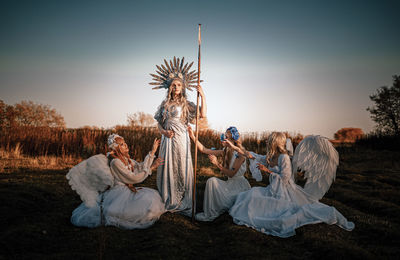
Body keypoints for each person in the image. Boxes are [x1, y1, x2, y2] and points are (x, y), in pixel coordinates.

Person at [227, 132, 355, 238]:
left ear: (275, 142)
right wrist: (235, 146)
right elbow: (251, 155)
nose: (266, 141)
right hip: (273, 188)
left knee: (260, 200)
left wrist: (267, 171)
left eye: (269, 140)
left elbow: (285, 178)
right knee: (250, 195)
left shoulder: (284, 158)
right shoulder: (271, 156)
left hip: (284, 192)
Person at [68, 134, 165, 229]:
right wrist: (151, 167)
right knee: (144, 208)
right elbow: (133, 178)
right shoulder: (115, 162)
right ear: (116, 148)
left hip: (127, 189)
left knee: (153, 198)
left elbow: (139, 167)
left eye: (124, 143)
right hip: (119, 192)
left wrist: (152, 152)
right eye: (122, 144)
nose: (126, 145)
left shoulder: (126, 159)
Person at [151, 57, 207, 215]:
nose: (176, 87)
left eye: (179, 84)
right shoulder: (164, 104)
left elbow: (202, 115)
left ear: (183, 87)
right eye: (174, 84)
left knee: (181, 166)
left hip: (181, 138)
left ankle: (183, 198)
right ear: (169, 87)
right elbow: (159, 123)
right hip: (167, 139)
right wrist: (163, 132)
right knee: (168, 165)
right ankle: (170, 197)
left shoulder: (186, 104)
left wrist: (202, 95)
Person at [188, 126, 250, 221]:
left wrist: (217, 163)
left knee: (213, 182)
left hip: (239, 187)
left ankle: (214, 213)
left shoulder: (240, 154)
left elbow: (231, 174)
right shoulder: (225, 151)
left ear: (233, 140)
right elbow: (204, 150)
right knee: (211, 181)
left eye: (226, 137)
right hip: (229, 184)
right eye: (224, 136)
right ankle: (209, 213)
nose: (223, 139)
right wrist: (192, 136)